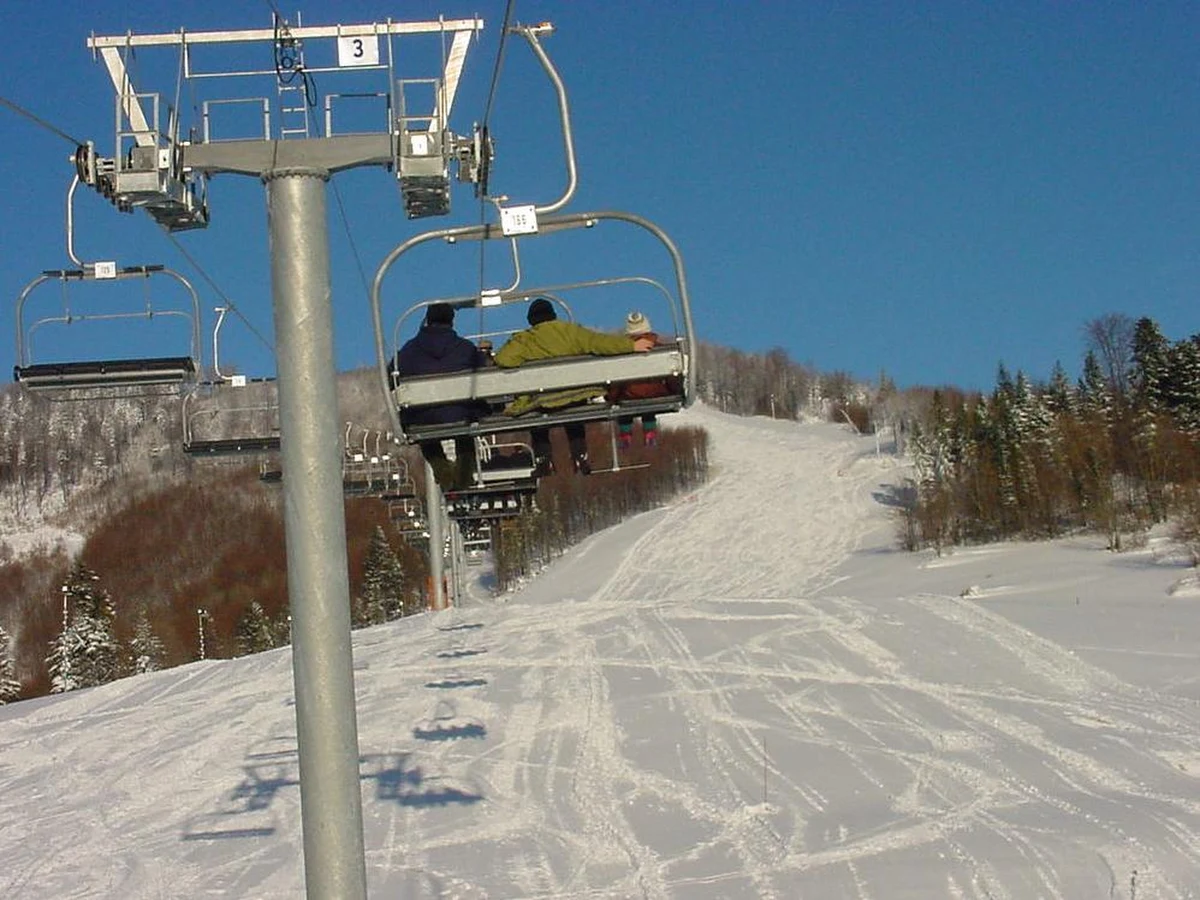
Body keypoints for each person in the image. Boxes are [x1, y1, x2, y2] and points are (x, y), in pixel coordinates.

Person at [493, 297, 654, 476]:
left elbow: (503, 359)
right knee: (573, 411)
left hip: (543, 399)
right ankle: (579, 455)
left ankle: (543, 459)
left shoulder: (526, 339)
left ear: (531, 320)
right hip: (576, 394)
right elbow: (600, 343)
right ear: (553, 316)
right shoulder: (572, 332)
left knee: (537, 422)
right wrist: (631, 346)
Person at [393, 302, 490, 491]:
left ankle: (442, 471)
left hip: (422, 416)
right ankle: (464, 473)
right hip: (461, 414)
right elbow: (483, 372)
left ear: (427, 321)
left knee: (424, 429)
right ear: (451, 322)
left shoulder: (408, 351)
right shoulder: (465, 348)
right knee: (465, 427)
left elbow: (392, 376)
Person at [606, 310, 681, 449]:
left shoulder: (622, 352)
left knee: (625, 402)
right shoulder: (659, 349)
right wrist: (676, 391)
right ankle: (649, 432)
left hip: (629, 395)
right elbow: (672, 376)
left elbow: (617, 380)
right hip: (656, 392)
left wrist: (611, 398)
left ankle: (625, 434)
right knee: (648, 400)